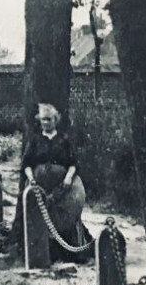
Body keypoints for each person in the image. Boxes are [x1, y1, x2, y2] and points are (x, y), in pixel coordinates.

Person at [14, 103, 93, 264]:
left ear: (55, 120)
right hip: (39, 188)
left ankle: (70, 254)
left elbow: (73, 163)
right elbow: (26, 164)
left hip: (63, 190)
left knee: (64, 220)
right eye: (43, 120)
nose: (46, 123)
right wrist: (32, 180)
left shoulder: (63, 140)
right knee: (38, 218)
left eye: (49, 119)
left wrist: (68, 178)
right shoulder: (35, 140)